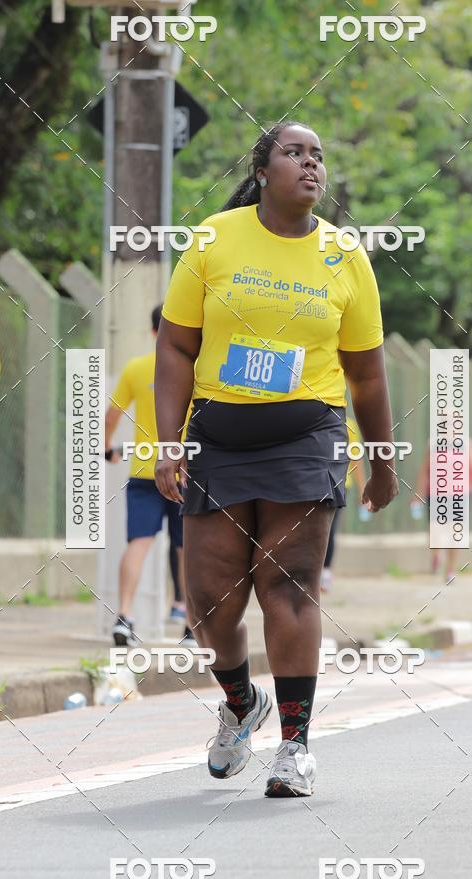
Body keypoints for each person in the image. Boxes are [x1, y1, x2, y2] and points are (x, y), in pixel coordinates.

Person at [154, 121, 397, 798]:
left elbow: (368, 374)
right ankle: (240, 704)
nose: (310, 164)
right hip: (220, 437)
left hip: (307, 436)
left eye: (318, 155)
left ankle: (295, 747)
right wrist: (169, 442)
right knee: (209, 602)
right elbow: (176, 347)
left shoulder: (345, 256)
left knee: (287, 585)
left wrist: (380, 459)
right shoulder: (214, 239)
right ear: (263, 170)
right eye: (295, 153)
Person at [104, 306, 193, 647]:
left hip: (144, 469)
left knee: (138, 544)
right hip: (185, 473)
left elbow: (112, 415)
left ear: (152, 330)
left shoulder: (137, 368)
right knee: (187, 550)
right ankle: (190, 625)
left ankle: (124, 616)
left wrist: (107, 449)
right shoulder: (193, 368)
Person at [413, 436, 472, 582]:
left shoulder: (466, 442)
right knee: (435, 530)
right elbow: (424, 468)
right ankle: (436, 555)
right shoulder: (433, 442)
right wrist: (417, 493)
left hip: (459, 494)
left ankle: (450, 569)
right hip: (435, 493)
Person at [320, 416, 367, 592]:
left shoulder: (349, 424)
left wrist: (362, 489)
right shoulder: (314, 417)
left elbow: (356, 459)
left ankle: (325, 573)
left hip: (338, 484)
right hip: (313, 482)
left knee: (329, 529)